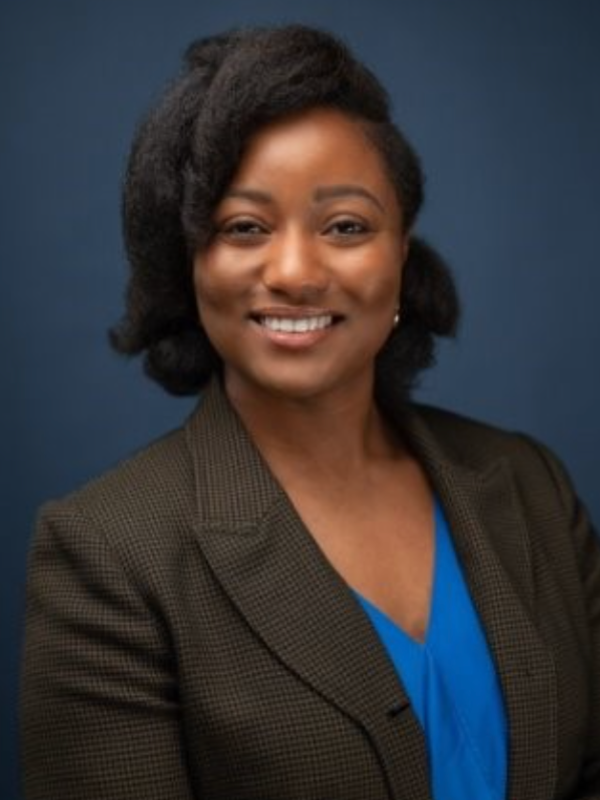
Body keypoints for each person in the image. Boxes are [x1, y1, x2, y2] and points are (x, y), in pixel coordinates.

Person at [21, 24, 599, 800]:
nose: (294, 271)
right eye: (244, 228)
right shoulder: (110, 554)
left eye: (347, 227)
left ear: (401, 255)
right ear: (189, 263)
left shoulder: (531, 487)